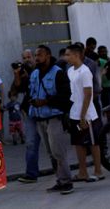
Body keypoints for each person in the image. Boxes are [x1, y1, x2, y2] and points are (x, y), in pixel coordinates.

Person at [28, 45, 73, 194]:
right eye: (35, 55)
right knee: (50, 153)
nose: (36, 58)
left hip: (54, 118)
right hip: (39, 118)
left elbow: (66, 96)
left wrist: (46, 101)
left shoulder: (58, 73)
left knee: (58, 151)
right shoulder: (34, 73)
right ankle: (59, 180)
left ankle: (67, 182)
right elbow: (30, 92)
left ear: (48, 55)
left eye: (39, 55)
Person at [65, 44, 105, 182]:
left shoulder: (85, 71)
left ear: (76, 55)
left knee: (93, 143)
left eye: (68, 54)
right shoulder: (70, 71)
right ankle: (83, 172)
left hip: (87, 114)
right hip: (74, 113)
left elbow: (88, 95)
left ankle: (98, 171)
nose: (66, 57)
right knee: (78, 143)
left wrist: (83, 116)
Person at [12, 49, 42, 183]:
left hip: (44, 110)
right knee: (30, 143)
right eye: (24, 58)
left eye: (29, 57)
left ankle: (59, 172)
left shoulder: (42, 69)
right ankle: (31, 173)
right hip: (30, 112)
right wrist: (17, 74)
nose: (27, 60)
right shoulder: (23, 74)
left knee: (51, 144)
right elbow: (16, 89)